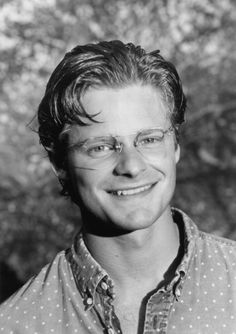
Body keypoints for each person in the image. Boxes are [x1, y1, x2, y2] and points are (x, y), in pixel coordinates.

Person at [0, 40, 236, 334]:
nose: (132, 166)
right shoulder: (17, 324)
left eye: (149, 139)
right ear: (60, 165)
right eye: (100, 147)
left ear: (175, 145)